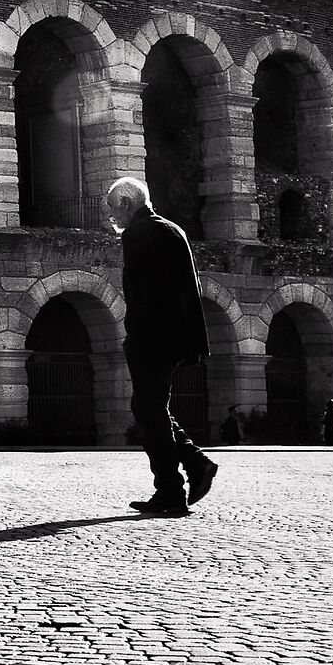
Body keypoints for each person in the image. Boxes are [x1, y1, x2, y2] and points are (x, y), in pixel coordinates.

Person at [110, 176, 218, 514]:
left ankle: (171, 490)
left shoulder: (139, 233)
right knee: (151, 408)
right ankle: (195, 464)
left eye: (113, 209)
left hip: (153, 337)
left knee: (149, 411)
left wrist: (135, 336)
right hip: (172, 335)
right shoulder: (171, 229)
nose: (112, 218)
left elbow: (141, 293)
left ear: (127, 203)